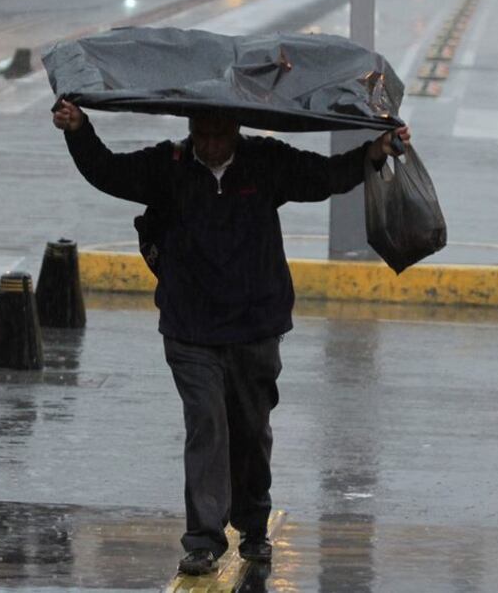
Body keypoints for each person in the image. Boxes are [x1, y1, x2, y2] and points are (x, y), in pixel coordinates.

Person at [52, 100, 410, 575]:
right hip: (190, 328)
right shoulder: (169, 165)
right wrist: (78, 129)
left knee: (250, 430)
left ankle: (253, 525)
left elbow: (325, 177)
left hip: (255, 326)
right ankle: (202, 539)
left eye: (221, 134)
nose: (211, 144)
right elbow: (107, 171)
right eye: (203, 133)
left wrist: (375, 151)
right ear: (191, 129)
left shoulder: (266, 161)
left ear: (237, 129)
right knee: (207, 425)